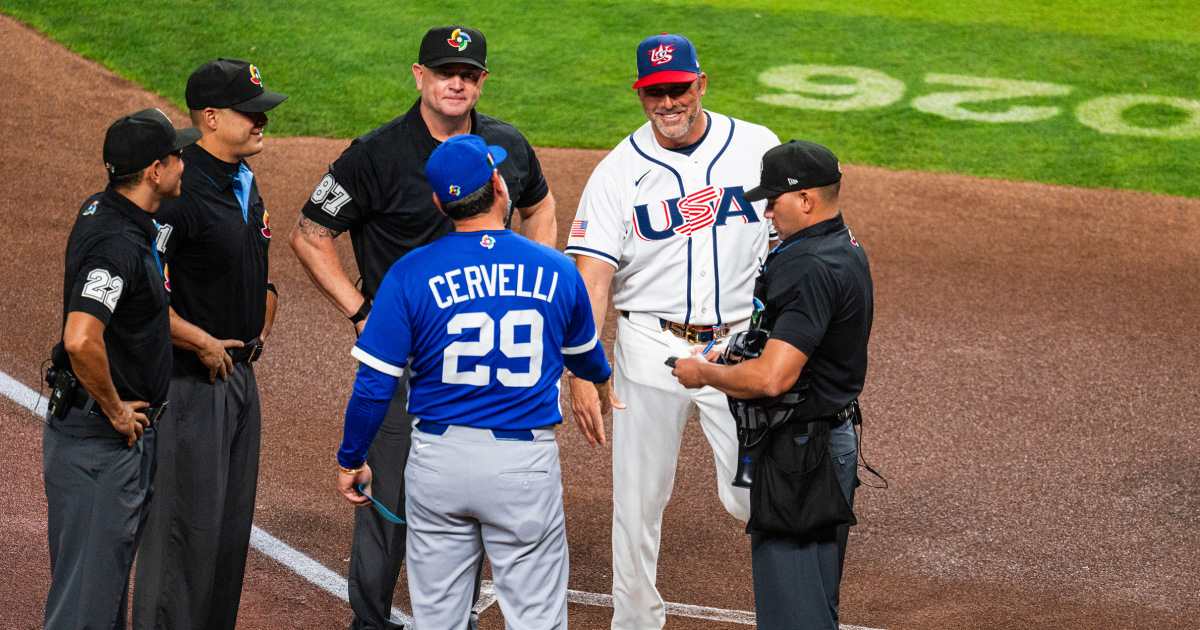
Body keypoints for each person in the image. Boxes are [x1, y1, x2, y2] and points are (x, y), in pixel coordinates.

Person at [289, 25, 556, 630]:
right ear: (419, 75)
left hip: (488, 361)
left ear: (482, 81)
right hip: (408, 363)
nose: (455, 82)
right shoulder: (375, 154)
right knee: (388, 500)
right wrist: (362, 314)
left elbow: (539, 204)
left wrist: (536, 274)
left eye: (467, 73)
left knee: (482, 489)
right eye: (443, 71)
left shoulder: (506, 145)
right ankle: (371, 621)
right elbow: (311, 235)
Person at [334, 134, 616, 629]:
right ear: (499, 188)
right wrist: (600, 378)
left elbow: (373, 386)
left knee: (438, 618)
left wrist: (351, 458)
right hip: (522, 466)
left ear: (441, 202)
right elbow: (586, 355)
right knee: (536, 619)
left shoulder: (408, 274)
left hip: (437, 464)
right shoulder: (555, 268)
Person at [563, 33, 779, 629]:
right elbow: (593, 277)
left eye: (677, 89)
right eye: (654, 92)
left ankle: (790, 606)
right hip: (648, 345)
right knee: (636, 504)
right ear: (641, 94)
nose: (667, 102)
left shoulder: (756, 147)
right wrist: (582, 369)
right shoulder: (617, 171)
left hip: (736, 345)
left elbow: (792, 238)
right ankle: (634, 624)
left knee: (753, 494)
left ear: (700, 84)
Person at [671, 140, 872, 630]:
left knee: (794, 615)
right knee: (812, 602)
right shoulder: (841, 245)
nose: (766, 211)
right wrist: (738, 346)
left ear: (805, 199)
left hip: (802, 455)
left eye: (774, 200)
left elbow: (772, 377)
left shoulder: (808, 266)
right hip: (826, 443)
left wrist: (704, 374)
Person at [132, 58, 286, 630]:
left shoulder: (243, 181)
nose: (261, 120)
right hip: (190, 385)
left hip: (239, 381)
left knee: (225, 536)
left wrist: (262, 315)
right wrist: (199, 340)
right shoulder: (178, 188)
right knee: (182, 537)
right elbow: (140, 291)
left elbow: (255, 267)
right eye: (250, 113)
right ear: (212, 117)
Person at [43, 108, 197, 630]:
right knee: (86, 606)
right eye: (177, 154)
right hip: (100, 445)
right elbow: (81, 338)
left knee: (103, 599)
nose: (184, 160)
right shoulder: (116, 244)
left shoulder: (109, 211)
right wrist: (113, 409)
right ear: (155, 170)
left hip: (106, 443)